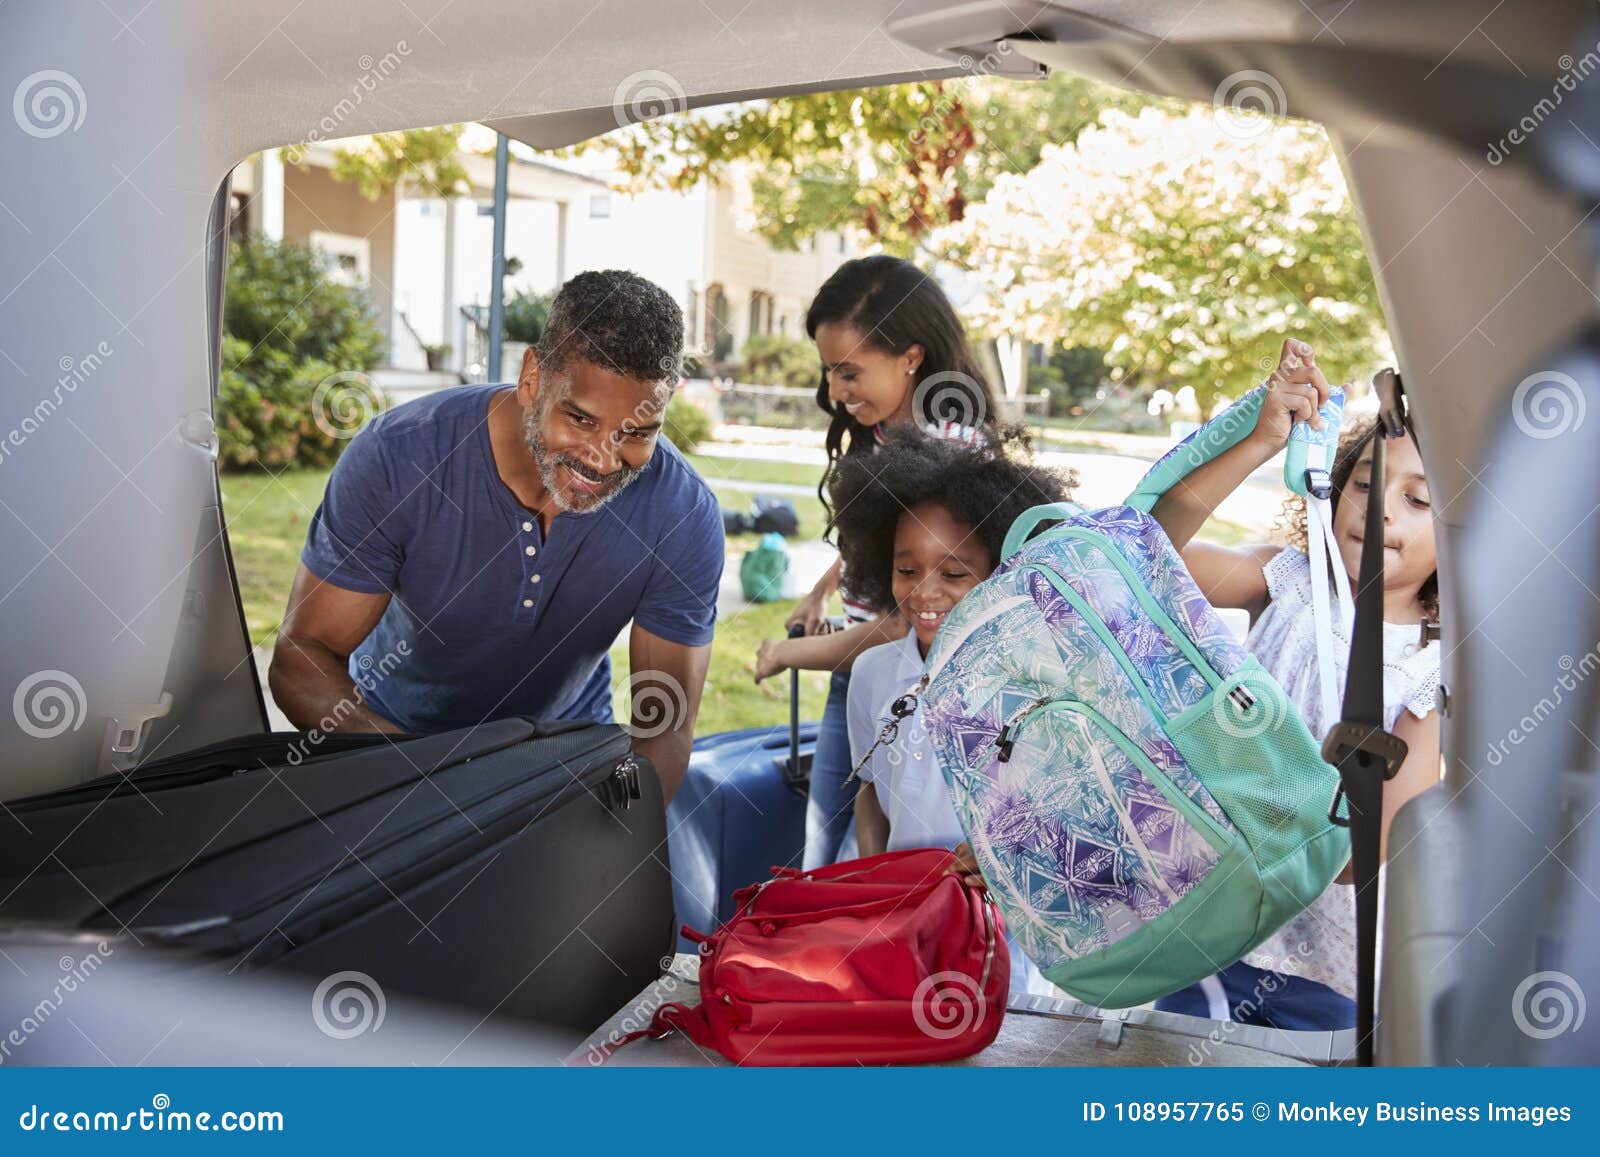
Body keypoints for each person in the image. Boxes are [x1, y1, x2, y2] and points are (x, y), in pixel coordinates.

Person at [268, 270, 723, 802]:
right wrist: (420, 786)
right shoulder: (399, 456)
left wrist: (617, 834)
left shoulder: (682, 513)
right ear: (532, 376)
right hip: (393, 744)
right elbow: (302, 656)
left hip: (564, 755)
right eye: (580, 419)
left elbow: (665, 728)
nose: (602, 459)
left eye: (637, 434)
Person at [1144, 337, 1443, 1029]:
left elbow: (1365, 855)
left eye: (1419, 498)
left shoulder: (1434, 673)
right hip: (1218, 937)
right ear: (1332, 490)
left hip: (1337, 975)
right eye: (1365, 485)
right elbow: (1154, 544)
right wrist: (1258, 440)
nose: (1382, 510)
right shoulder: (1286, 583)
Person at [751, 255, 1007, 869]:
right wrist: (822, 588)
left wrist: (785, 654)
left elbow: (904, 622)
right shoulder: (894, 430)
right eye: (830, 372)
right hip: (866, 676)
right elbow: (885, 543)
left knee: (864, 869)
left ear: (910, 357)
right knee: (834, 862)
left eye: (849, 372)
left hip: (909, 686)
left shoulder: (946, 452)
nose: (835, 392)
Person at [829, 426, 1076, 994]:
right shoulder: (871, 675)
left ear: (1000, 573)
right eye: (907, 569)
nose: (925, 593)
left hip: (1007, 917)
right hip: (903, 910)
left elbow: (1064, 805)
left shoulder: (1035, 679)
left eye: (955, 573)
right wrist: (876, 884)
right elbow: (871, 788)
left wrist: (1006, 864)